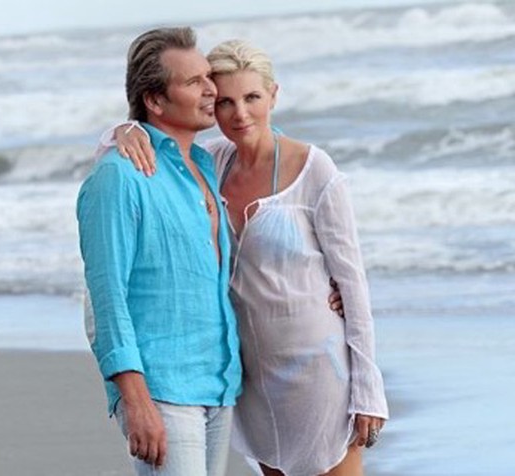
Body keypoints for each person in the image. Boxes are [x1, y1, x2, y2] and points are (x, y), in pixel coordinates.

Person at [108, 39, 389, 476]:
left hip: (317, 371)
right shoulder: (209, 163)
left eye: (252, 97)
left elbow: (353, 287)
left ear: (273, 95)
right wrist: (124, 131)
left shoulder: (314, 169)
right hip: (250, 378)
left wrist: (370, 392)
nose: (240, 114)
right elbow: (139, 157)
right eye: (225, 102)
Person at [76, 27, 242, 476]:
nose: (211, 90)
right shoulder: (120, 176)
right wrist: (135, 399)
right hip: (161, 387)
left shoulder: (208, 165)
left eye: (208, 77)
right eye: (193, 82)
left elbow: (267, 141)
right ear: (154, 99)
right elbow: (106, 297)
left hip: (218, 382)